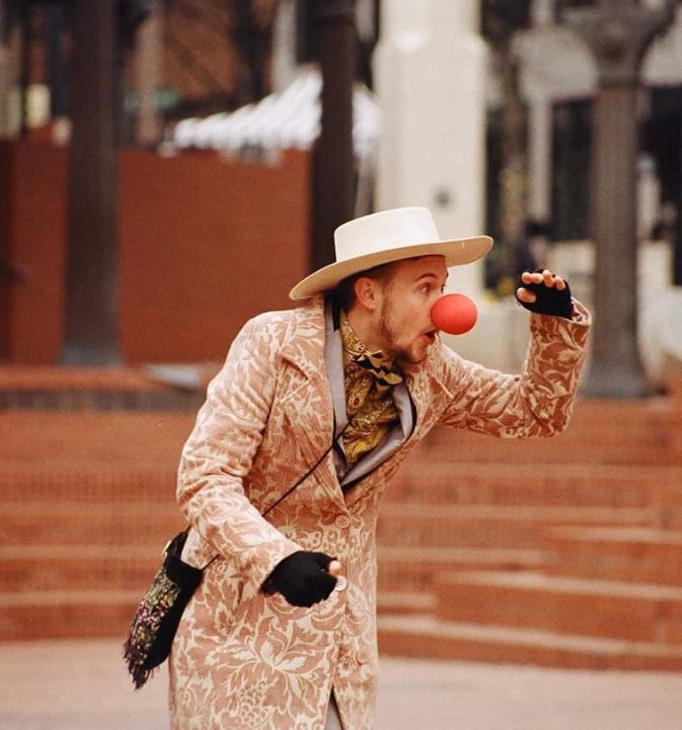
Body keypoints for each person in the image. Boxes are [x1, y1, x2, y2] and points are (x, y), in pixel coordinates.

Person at [168, 206, 591, 730]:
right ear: (369, 293)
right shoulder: (272, 345)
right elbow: (205, 477)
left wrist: (554, 326)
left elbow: (534, 413)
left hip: (340, 653)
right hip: (237, 636)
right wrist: (275, 560)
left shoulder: (432, 371)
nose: (446, 309)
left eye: (444, 287)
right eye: (425, 288)